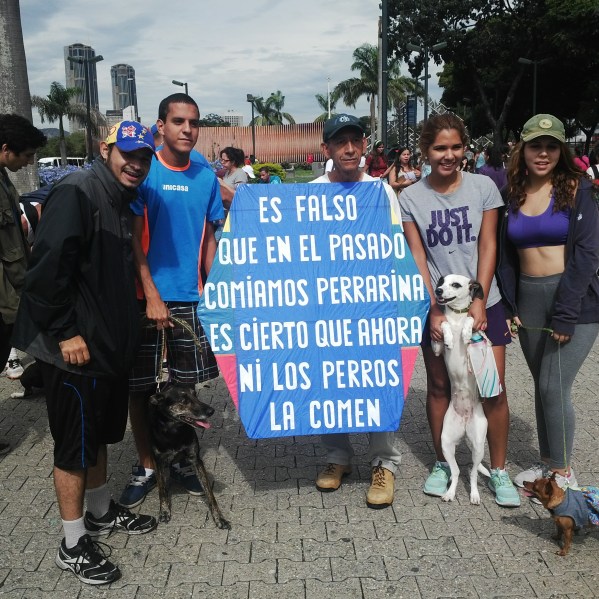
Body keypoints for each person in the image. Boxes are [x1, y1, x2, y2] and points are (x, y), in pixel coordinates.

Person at [12, 121, 157, 584]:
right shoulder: (78, 190)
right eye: (128, 153)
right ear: (105, 148)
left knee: (96, 437)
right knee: (73, 446)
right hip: (72, 352)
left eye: (144, 157)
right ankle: (72, 544)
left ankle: (98, 513)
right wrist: (65, 332)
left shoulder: (118, 197)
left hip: (104, 349)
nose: (136, 163)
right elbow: (44, 273)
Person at [401, 113, 520, 507]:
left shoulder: (484, 187)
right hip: (438, 308)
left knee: (491, 389)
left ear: (465, 148)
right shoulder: (411, 197)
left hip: (486, 305)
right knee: (440, 386)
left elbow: (488, 245)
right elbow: (418, 257)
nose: (448, 155)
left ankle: (499, 470)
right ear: (425, 150)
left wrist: (480, 301)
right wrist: (434, 309)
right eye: (439, 148)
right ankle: (442, 461)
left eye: (455, 147)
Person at [120, 94, 224, 509]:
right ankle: (147, 464)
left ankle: (181, 464)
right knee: (141, 387)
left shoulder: (206, 176)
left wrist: (215, 289)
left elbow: (209, 240)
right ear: (160, 125)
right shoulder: (146, 172)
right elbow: (133, 239)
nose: (187, 129)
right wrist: (151, 294)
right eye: (178, 121)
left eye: (193, 122)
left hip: (191, 298)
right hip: (147, 298)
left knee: (185, 386)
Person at [496, 114, 599, 493]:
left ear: (562, 150)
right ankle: (547, 465)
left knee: (555, 387)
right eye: (535, 146)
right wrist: (509, 305)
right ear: (522, 149)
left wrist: (566, 313)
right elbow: (506, 256)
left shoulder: (577, 188)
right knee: (543, 384)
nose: (543, 153)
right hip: (529, 299)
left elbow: (588, 255)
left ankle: (563, 473)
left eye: (551, 146)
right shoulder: (513, 193)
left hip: (573, 299)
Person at [310, 114, 402, 509]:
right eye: (340, 142)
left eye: (355, 140)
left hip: (372, 306)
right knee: (330, 382)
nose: (349, 148)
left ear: (365, 145)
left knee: (376, 380)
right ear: (326, 149)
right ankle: (337, 457)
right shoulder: (308, 194)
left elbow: (396, 248)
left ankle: (384, 462)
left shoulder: (381, 193)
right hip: (325, 307)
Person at [0, 113, 46, 455]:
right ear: (6, 149)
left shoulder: (3, 177)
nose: (29, 161)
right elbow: (11, 252)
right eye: (26, 155)